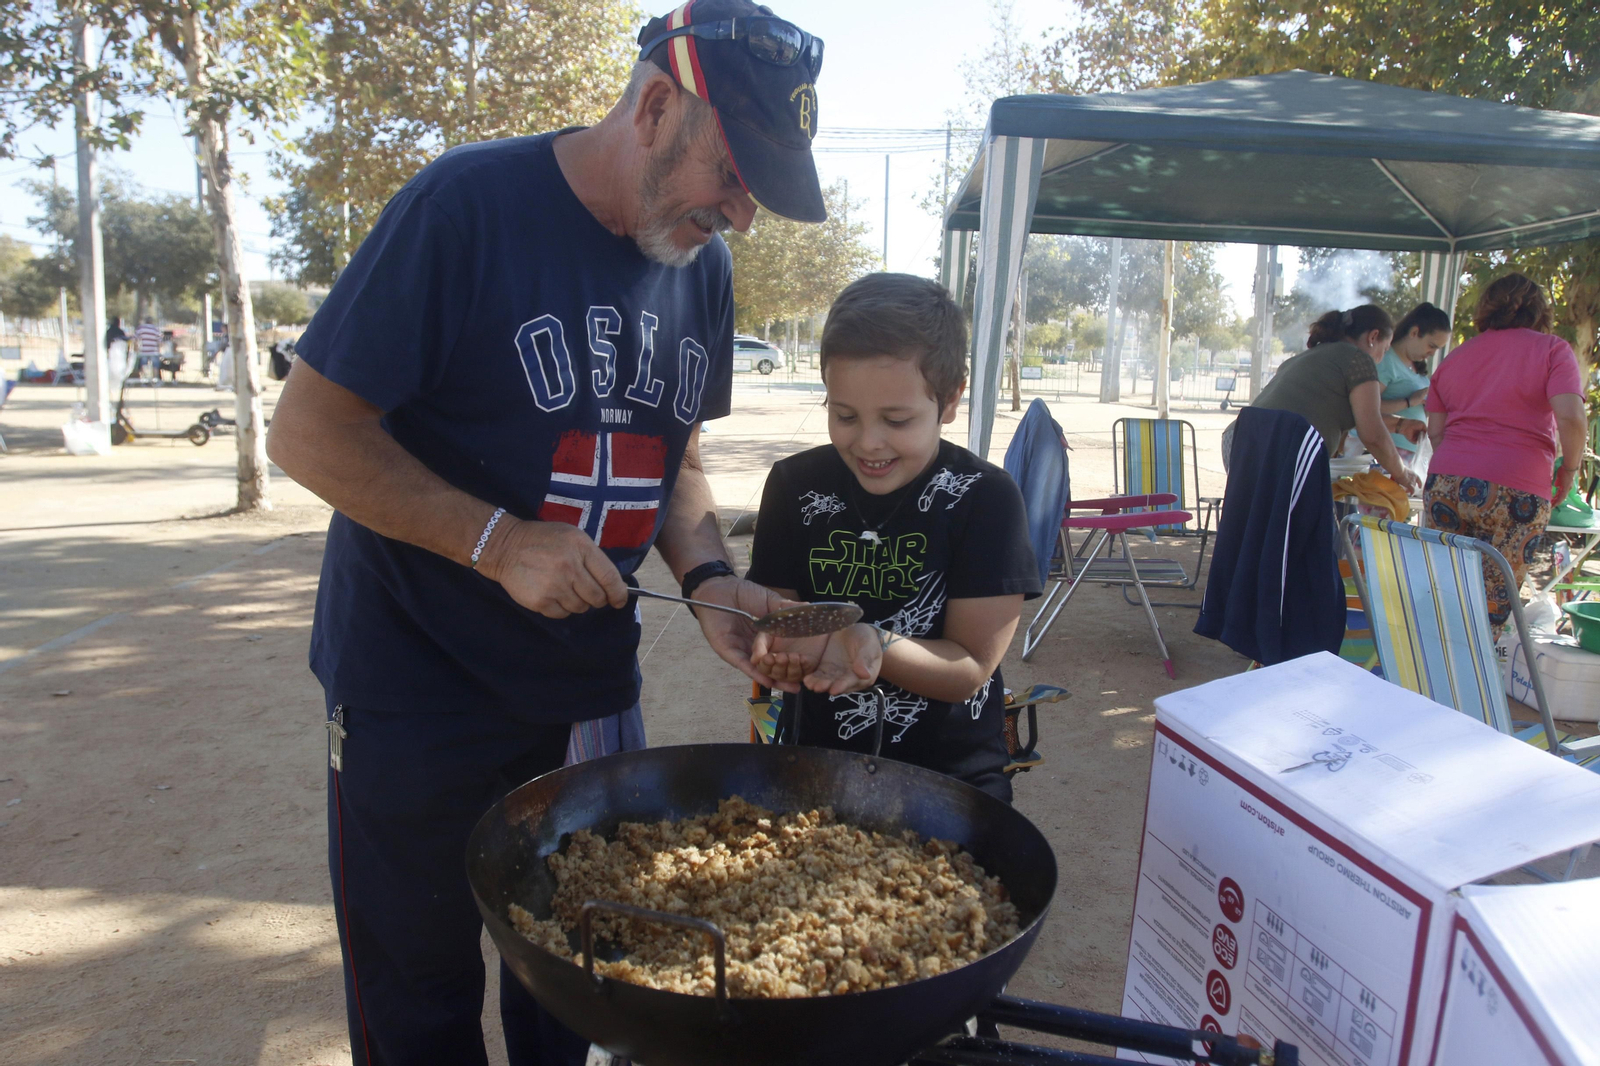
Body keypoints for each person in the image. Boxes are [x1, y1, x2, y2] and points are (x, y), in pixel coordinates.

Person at [264, 5, 849, 1065]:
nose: (743, 213)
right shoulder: (466, 204)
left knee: (577, 977)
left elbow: (673, 454)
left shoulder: (702, 268)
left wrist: (709, 572)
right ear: (657, 105)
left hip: (581, 690)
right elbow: (307, 430)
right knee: (421, 983)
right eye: (733, 173)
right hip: (416, 683)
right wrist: (497, 541)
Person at [744, 274, 1042, 803]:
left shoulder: (986, 499)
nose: (869, 442)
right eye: (845, 416)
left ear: (950, 401)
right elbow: (778, 621)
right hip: (816, 769)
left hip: (953, 782)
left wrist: (871, 642)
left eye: (897, 420)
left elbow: (969, 668)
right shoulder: (795, 486)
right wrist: (781, 649)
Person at [1424, 272, 1586, 631]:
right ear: (1539, 311)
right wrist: (1569, 471)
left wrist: (1460, 465)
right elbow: (1572, 419)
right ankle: (1475, 683)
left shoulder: (1456, 357)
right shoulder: (1552, 350)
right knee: (1490, 609)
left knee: (1445, 594)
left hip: (1446, 485)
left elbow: (1436, 430)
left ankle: (1429, 676)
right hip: (1517, 492)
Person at [1243, 304, 1422, 496]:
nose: (1381, 359)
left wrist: (1401, 425)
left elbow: (1358, 415)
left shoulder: (1310, 356)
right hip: (1282, 449)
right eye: (1385, 349)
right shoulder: (1359, 359)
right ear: (1373, 337)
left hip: (1244, 443)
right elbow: (1372, 433)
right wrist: (1402, 473)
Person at [1375, 302, 1452, 469]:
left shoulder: (1416, 367)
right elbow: (1366, 408)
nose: (1432, 354)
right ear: (1414, 332)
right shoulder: (1386, 360)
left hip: (1409, 454)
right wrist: (1410, 401)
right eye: (1431, 346)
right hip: (1382, 452)